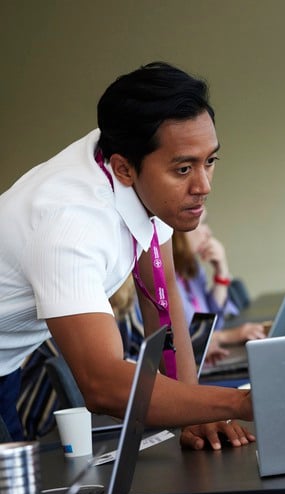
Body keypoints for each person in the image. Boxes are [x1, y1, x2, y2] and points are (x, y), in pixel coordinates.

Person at [0, 62, 253, 449]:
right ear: (124, 168)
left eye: (210, 161)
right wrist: (241, 402)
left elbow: (161, 289)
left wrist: (198, 413)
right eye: (184, 168)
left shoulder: (142, 173)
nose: (202, 186)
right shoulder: (71, 225)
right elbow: (103, 384)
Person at [173, 209, 266, 359]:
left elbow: (214, 324)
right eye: (202, 223)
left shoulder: (193, 269)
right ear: (177, 233)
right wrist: (231, 335)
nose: (208, 232)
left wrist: (221, 271)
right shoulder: (161, 280)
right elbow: (183, 343)